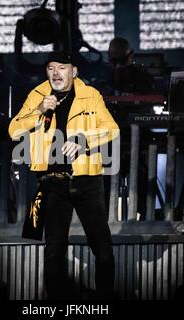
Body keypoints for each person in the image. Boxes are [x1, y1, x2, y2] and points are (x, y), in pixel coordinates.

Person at [9, 51, 119, 300]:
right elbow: (14, 130)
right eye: (50, 68)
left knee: (102, 246)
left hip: (87, 179)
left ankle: (105, 298)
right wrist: (38, 110)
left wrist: (84, 140)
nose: (55, 73)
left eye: (62, 67)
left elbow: (112, 129)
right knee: (54, 248)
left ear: (74, 71)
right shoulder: (38, 95)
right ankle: (56, 302)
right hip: (52, 181)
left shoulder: (91, 96)